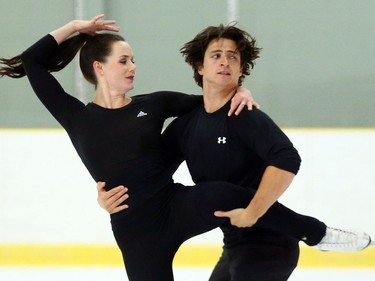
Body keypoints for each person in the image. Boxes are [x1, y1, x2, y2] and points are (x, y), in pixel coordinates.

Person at [0, 15, 371, 281]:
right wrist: (75, 28)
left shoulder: (155, 103)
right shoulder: (76, 117)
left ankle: (318, 234)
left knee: (227, 193)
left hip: (175, 205)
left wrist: (241, 88)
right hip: (136, 230)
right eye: (124, 60)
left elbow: (211, 96)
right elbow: (33, 62)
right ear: (99, 66)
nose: (133, 67)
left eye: (134, 60)